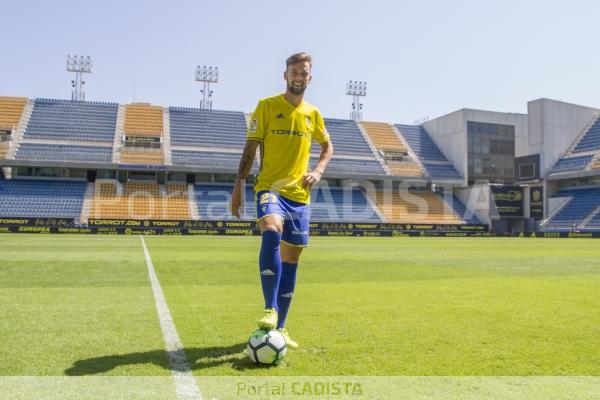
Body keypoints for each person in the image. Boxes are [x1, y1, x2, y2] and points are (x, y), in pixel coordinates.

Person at [230, 52, 333, 349]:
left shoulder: (313, 114)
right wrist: (238, 186)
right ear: (285, 75)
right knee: (271, 230)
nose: (299, 77)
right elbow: (250, 150)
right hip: (269, 188)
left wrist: (318, 170)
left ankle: (283, 328)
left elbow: (328, 147)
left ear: (310, 78)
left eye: (304, 73)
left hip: (300, 195)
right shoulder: (266, 107)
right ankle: (270, 308)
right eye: (294, 72)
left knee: (291, 260)